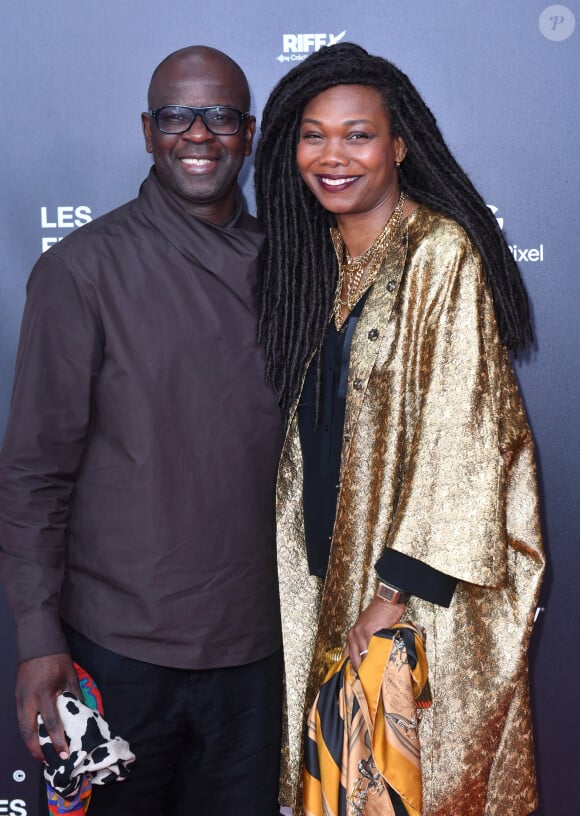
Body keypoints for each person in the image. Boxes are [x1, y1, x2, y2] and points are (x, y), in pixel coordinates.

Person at [254, 42, 544, 816]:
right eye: (313, 134)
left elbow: (466, 429)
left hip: (409, 596)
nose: (332, 154)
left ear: (400, 144)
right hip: (317, 577)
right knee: (326, 791)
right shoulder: (305, 256)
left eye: (358, 134)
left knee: (401, 793)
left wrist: (392, 597)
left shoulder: (439, 254)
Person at [0, 46, 283, 816]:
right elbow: (32, 473)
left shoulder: (289, 271)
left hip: (260, 656)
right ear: (148, 131)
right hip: (115, 654)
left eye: (220, 115)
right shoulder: (84, 270)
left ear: (250, 132)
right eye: (176, 116)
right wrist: (37, 638)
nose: (199, 134)